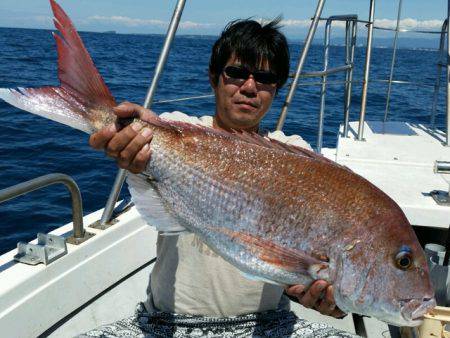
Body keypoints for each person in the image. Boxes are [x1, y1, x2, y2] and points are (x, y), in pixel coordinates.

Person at [85, 19, 352, 337]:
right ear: (214, 77)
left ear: (276, 89)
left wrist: (337, 300)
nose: (250, 87)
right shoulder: (178, 131)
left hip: (265, 323)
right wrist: (123, 129)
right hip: (169, 321)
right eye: (237, 73)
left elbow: (320, 273)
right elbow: (152, 129)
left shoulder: (295, 154)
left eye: (265, 78)